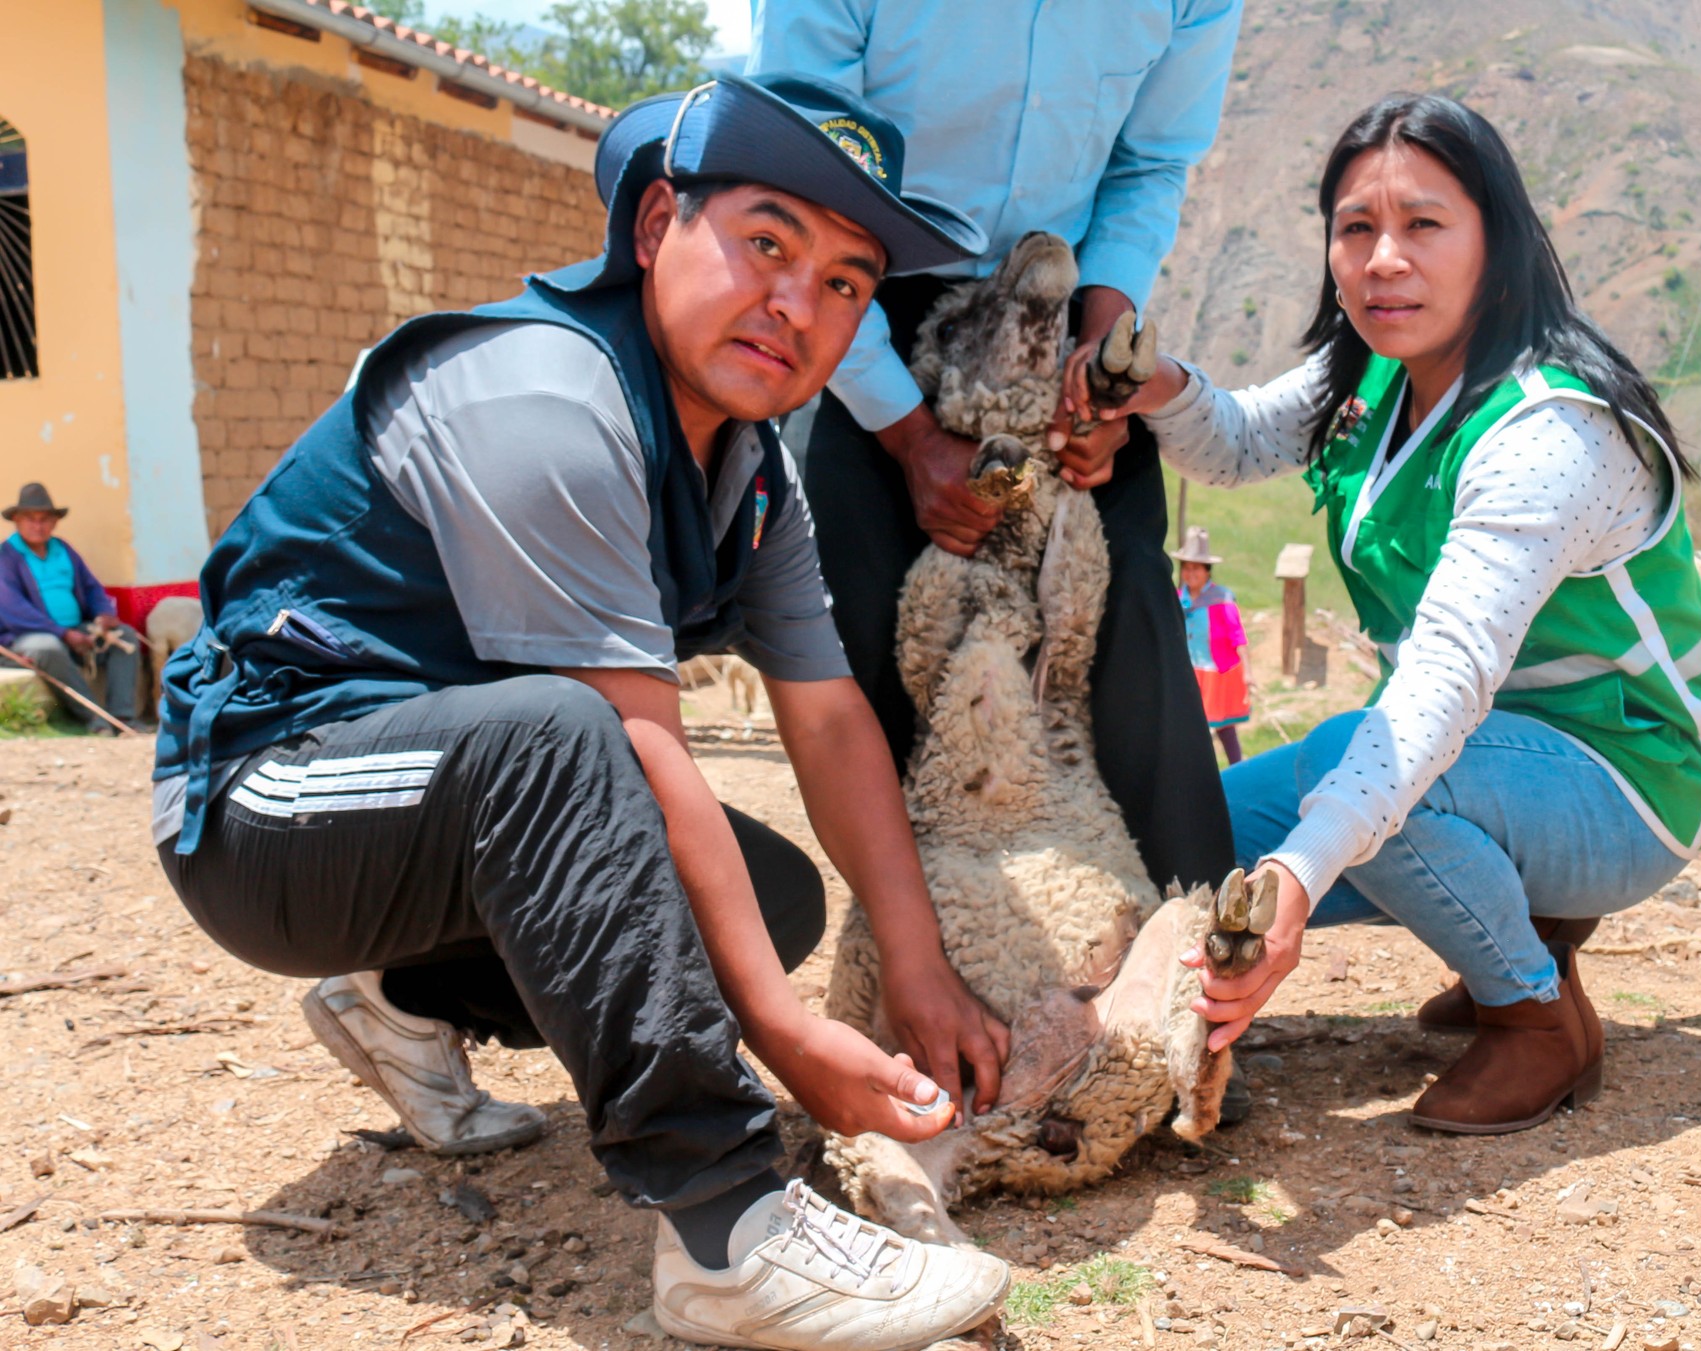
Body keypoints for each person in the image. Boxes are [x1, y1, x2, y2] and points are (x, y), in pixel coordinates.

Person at [153, 76, 1019, 1349]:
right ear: (661, 221)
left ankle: (401, 998)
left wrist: (918, 969)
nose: (797, 303)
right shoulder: (548, 395)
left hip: (434, 797)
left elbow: (826, 717)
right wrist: (782, 1036)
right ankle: (728, 1229)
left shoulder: (754, 469)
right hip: (266, 798)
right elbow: (624, 737)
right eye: (767, 243)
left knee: (764, 897)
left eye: (845, 282)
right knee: (569, 743)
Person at [1089, 94, 1701, 1135]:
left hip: (1625, 780)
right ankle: (1526, 928)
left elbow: (1440, 684)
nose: (1384, 258)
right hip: (1472, 757)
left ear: (1497, 244)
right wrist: (1153, 386)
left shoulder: (1545, 427)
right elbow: (1239, 441)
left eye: (1423, 225)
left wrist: (1301, 876)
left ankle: (1532, 1015)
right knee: (1183, 836)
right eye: (1356, 228)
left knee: (1374, 772)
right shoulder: (1373, 374)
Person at [749, 1, 1245, 895]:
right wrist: (905, 435)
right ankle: (931, 957)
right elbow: (803, 166)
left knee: (1126, 606)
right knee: (863, 620)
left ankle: (1189, 972)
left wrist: (1102, 364)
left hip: (1062, 307)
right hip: (861, 296)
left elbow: (1150, 164)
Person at [0, 482, 142, 735]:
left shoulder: (63, 549)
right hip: (28, 636)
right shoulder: (6, 557)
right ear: (17, 522)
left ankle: (123, 715)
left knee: (125, 636)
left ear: (54, 522)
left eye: (45, 519)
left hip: (75, 630)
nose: (38, 525)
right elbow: (13, 610)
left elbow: (91, 587)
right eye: (30, 519)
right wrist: (62, 633)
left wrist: (102, 615)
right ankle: (94, 718)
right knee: (47, 647)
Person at [1172, 527, 1250, 765]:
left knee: (1224, 728)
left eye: (1196, 567)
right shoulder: (1176, 598)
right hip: (1189, 673)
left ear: (1207, 571)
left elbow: (1238, 637)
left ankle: (1238, 769)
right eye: (1186, 567)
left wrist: (1248, 672)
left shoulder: (1222, 599)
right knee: (1190, 727)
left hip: (1218, 673)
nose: (1190, 572)